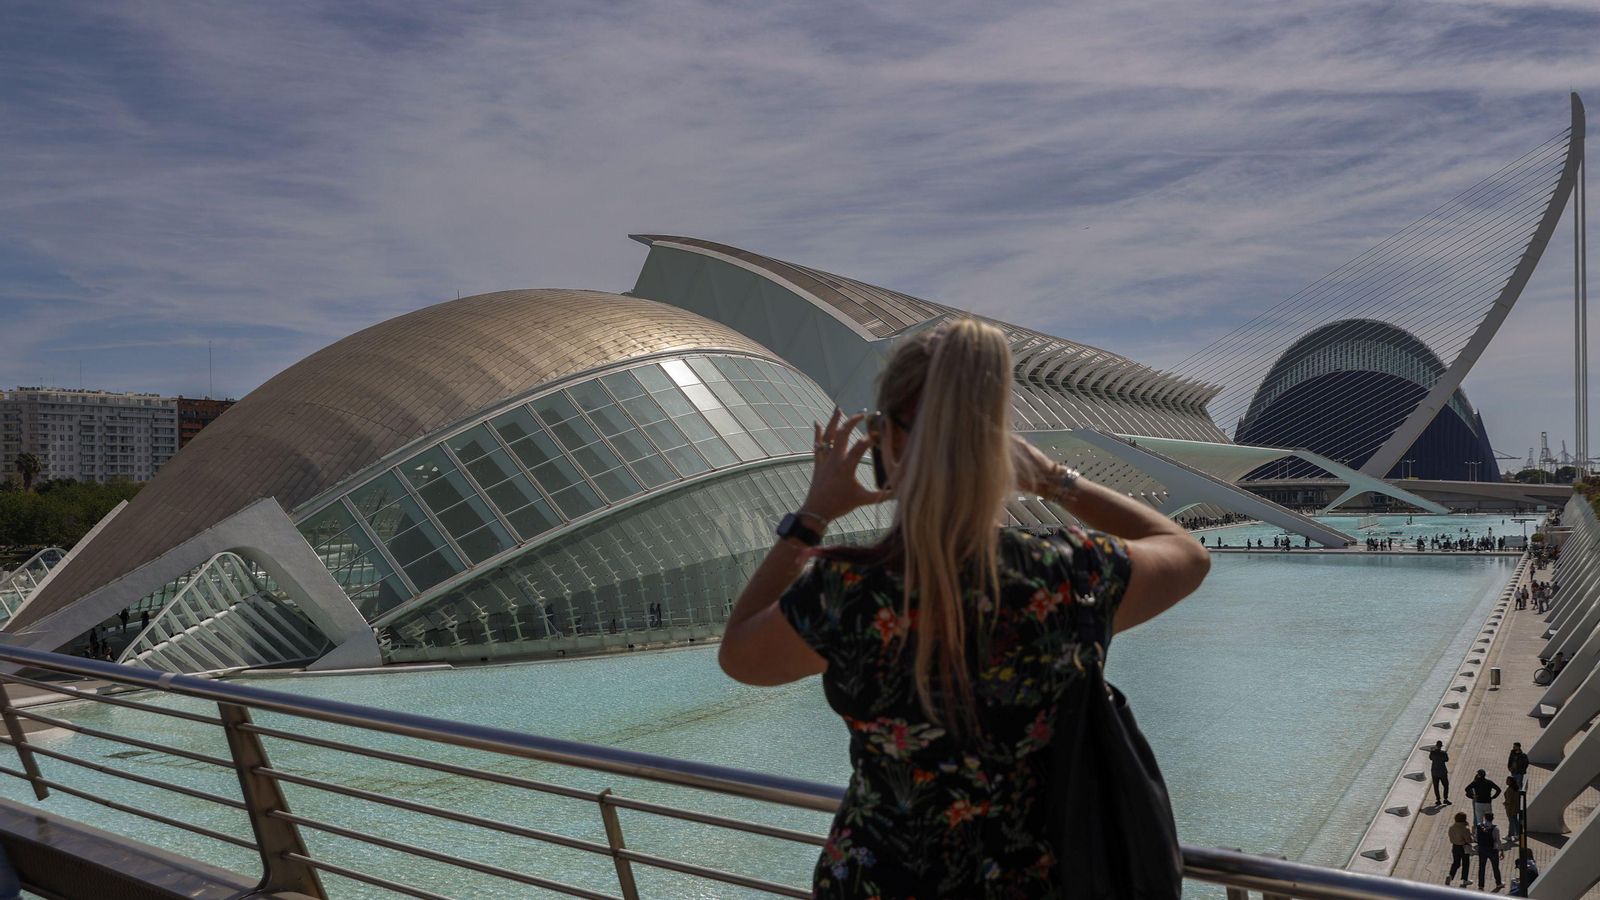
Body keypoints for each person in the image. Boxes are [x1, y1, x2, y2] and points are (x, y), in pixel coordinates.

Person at [717, 319, 1212, 896]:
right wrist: (1056, 481)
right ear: (998, 447)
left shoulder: (847, 590)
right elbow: (1187, 554)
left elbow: (739, 655)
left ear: (887, 441)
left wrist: (813, 515)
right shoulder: (1067, 576)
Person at [1475, 812, 1504, 891]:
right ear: (1492, 819)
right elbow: (1498, 840)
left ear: (1485, 817)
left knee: (1482, 867)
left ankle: (1481, 885)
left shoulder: (1479, 826)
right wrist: (1501, 850)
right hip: (1492, 850)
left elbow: (1476, 838)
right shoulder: (1495, 829)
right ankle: (1498, 883)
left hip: (1482, 849)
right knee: (1495, 867)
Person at [1446, 811, 1472, 887]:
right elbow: (1468, 840)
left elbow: (1451, 838)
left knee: (1456, 863)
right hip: (1463, 847)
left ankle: (1450, 875)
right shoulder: (1465, 828)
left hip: (1455, 847)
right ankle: (1465, 880)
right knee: (1465, 863)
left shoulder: (1452, 827)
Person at [1426, 740, 1451, 805]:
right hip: (1442, 772)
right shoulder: (1443, 753)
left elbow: (1430, 758)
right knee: (1446, 786)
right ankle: (1445, 799)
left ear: (1436, 746)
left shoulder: (1432, 753)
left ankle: (1438, 800)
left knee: (1436, 786)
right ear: (1441, 746)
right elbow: (1447, 760)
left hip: (1434, 772)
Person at [1502, 776, 1522, 841]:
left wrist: (1505, 803)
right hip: (1515, 808)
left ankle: (1510, 835)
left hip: (1511, 809)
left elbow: (1509, 800)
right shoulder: (1516, 789)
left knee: (1511, 822)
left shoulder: (1510, 790)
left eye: (1508, 780)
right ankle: (1518, 834)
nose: (1506, 781)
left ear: (1511, 782)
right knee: (1515, 821)